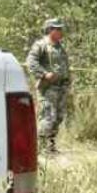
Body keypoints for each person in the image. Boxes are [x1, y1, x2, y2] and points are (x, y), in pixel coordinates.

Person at [25, 18, 71, 153]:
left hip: (61, 87)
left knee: (58, 117)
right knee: (47, 117)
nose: (61, 31)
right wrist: (44, 74)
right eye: (58, 29)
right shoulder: (41, 45)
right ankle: (40, 147)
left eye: (61, 29)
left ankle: (50, 146)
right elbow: (31, 62)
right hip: (48, 89)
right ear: (50, 30)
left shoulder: (59, 46)